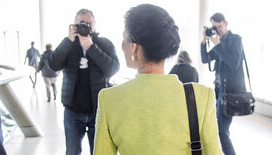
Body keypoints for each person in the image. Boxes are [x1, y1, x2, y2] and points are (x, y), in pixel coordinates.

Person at [93, 4, 222, 155]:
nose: (122, 44)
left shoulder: (109, 99)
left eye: (124, 37)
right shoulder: (202, 97)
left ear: (134, 47)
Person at [48, 9, 119, 155]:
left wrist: (91, 47)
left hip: (98, 110)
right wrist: (68, 41)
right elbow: (53, 65)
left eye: (88, 23)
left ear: (94, 26)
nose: (85, 26)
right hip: (73, 109)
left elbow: (113, 68)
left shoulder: (104, 43)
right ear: (73, 25)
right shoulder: (68, 44)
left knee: (99, 151)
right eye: (81, 23)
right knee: (72, 151)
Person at [200, 13, 246, 155]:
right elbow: (205, 59)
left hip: (231, 93)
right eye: (215, 27)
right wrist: (204, 41)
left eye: (219, 26)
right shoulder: (218, 42)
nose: (217, 30)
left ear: (226, 23)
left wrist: (218, 45)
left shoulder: (235, 40)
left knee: (222, 132)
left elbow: (234, 63)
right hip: (219, 92)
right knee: (219, 130)